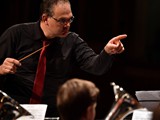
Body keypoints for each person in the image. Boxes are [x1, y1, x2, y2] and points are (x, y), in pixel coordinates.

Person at [0, 0, 127, 117]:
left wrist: (107, 52)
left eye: (70, 19)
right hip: (15, 112)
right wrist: (0, 69)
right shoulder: (16, 34)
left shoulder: (72, 41)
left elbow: (96, 67)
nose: (67, 25)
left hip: (51, 114)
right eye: (62, 20)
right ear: (45, 18)